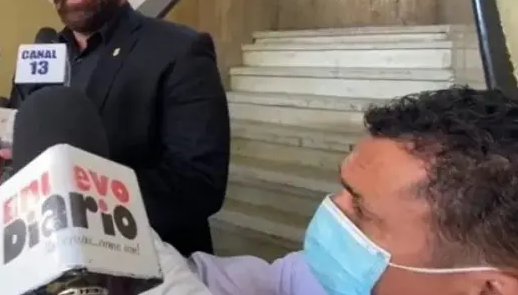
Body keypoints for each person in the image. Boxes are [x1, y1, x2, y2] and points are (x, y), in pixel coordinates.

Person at [9, 0, 230, 255]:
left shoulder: (180, 50)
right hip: (44, 253)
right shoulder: (42, 55)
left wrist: (79, 194)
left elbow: (199, 185)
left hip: (153, 263)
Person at [187, 86, 518, 295]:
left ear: (490, 289)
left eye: (361, 211)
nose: (333, 210)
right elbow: (271, 283)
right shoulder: (330, 279)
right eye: (344, 190)